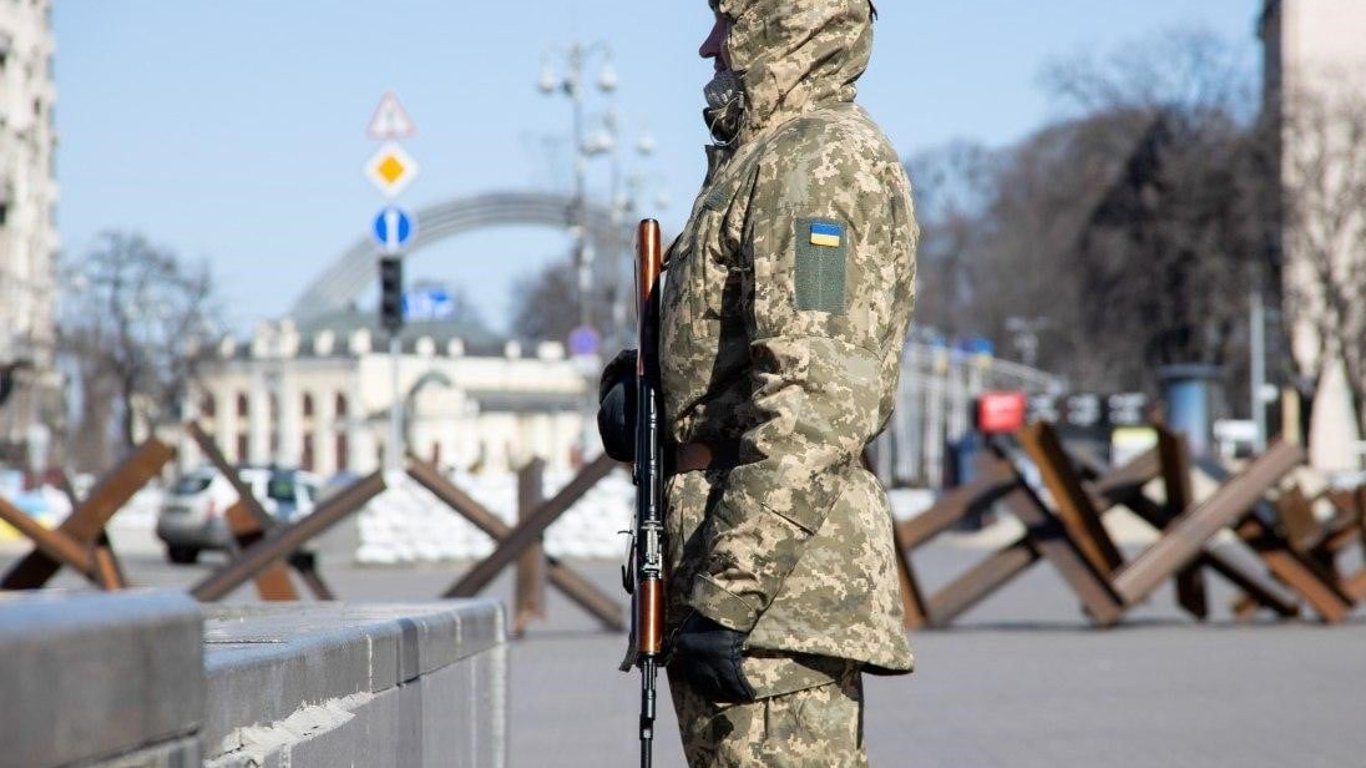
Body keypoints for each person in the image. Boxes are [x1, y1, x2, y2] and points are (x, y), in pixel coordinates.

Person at [601, 0, 916, 764]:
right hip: (728, 569)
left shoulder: (817, 164)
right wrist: (642, 396)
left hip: (769, 600)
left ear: (786, 22)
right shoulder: (765, 160)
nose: (710, 46)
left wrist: (730, 594)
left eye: (729, 23)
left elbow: (814, 398)